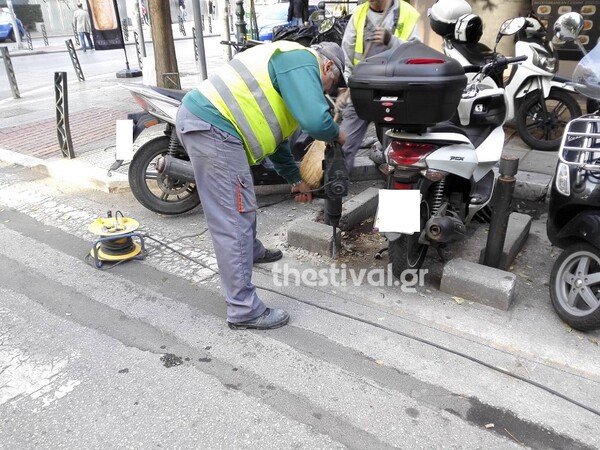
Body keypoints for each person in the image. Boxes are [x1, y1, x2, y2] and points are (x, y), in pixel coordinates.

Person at [176, 41, 347, 330]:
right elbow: (317, 122)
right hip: (214, 128)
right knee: (233, 216)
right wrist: (337, 135)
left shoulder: (290, 83)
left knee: (241, 201)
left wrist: (296, 181)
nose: (328, 92)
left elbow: (278, 144)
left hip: (212, 127)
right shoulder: (301, 60)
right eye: (332, 84)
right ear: (327, 65)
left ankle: (249, 251)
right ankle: (244, 309)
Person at [340, 0, 420, 171]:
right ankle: (337, 186)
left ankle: (394, 184)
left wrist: (391, 41)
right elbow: (347, 56)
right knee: (344, 144)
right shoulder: (359, 14)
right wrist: (347, 87)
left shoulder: (407, 14)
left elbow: (415, 53)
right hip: (362, 89)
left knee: (395, 149)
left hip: (394, 91)